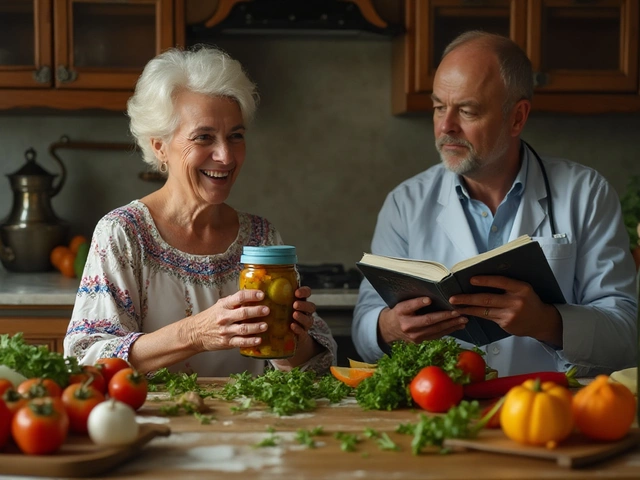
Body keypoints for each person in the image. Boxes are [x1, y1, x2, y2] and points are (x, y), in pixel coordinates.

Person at [352, 31, 637, 377]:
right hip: (440, 413)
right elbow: (365, 329)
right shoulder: (405, 203)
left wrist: (547, 322)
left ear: (517, 117)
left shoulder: (587, 193)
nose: (445, 126)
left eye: (467, 111)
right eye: (439, 107)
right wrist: (390, 328)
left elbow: (627, 332)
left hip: (550, 413)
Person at [63, 46, 336, 377]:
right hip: (154, 425)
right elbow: (86, 360)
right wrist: (195, 334)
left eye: (235, 136)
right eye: (204, 137)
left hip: (246, 425)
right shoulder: (123, 234)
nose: (225, 156)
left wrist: (294, 338)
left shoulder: (262, 239)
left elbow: (315, 371)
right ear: (159, 145)